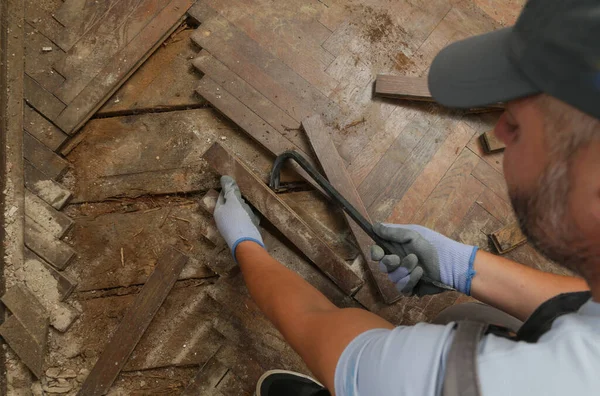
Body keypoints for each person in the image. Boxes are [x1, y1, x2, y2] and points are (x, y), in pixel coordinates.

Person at [212, 0, 600, 394]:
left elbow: (315, 324)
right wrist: (459, 266)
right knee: (468, 313)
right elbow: (581, 308)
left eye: (517, 126)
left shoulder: (470, 382)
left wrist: (245, 245)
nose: (499, 132)